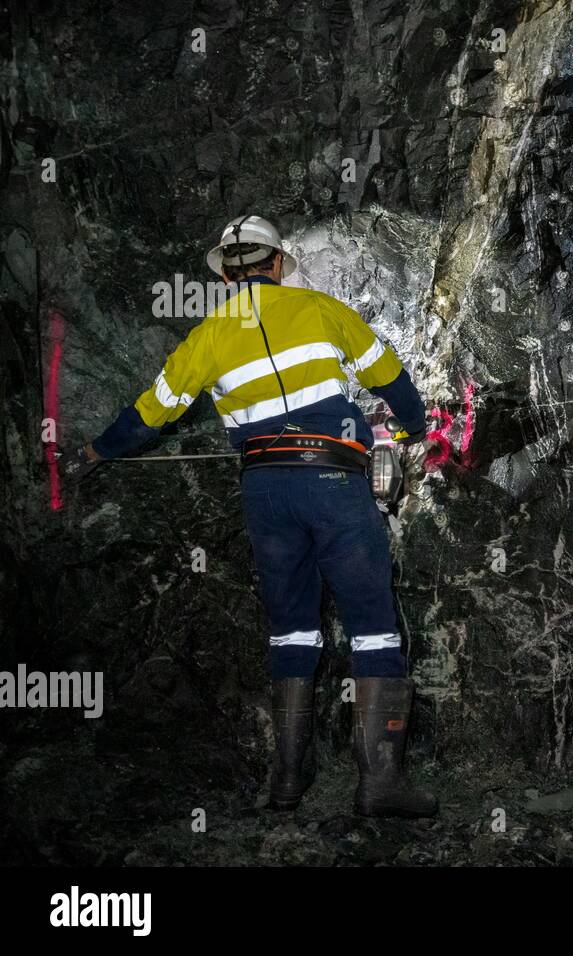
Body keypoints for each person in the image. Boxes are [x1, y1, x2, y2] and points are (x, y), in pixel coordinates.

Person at [61, 214, 438, 817]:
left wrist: (94, 451)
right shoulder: (319, 309)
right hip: (333, 483)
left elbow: (151, 412)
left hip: (264, 492)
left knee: (291, 626)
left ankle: (288, 779)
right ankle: (380, 784)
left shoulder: (208, 336)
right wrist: (415, 425)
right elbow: (389, 376)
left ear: (230, 275)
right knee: (373, 624)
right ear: (278, 263)